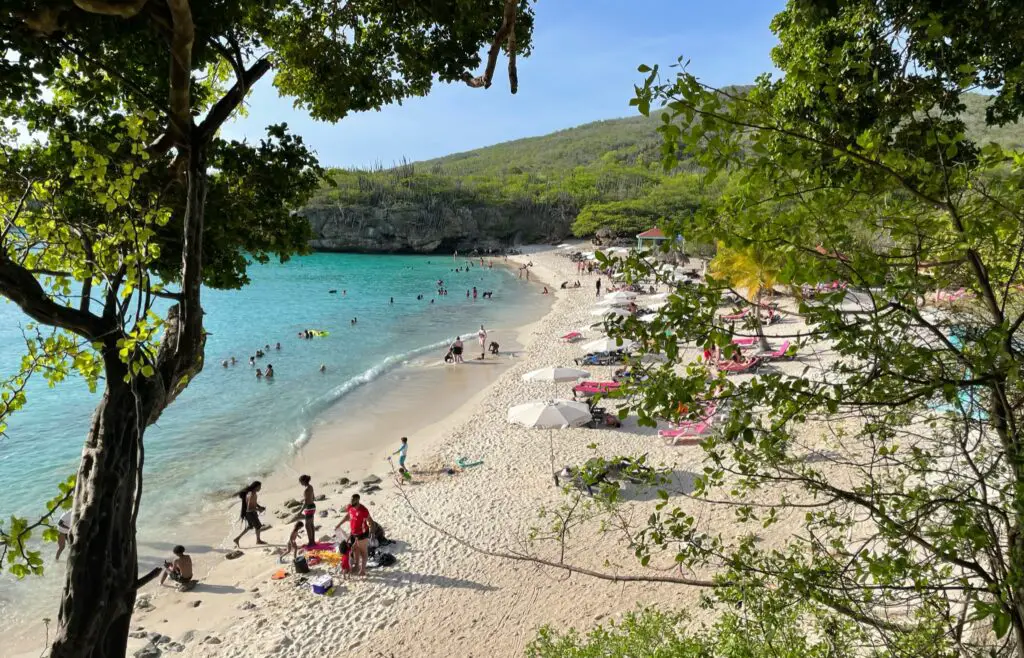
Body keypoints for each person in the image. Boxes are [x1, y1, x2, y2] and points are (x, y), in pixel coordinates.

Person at [336, 494, 373, 576]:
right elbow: (347, 516)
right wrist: (339, 524)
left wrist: (371, 533)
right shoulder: (350, 507)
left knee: (363, 552)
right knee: (355, 549)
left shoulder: (363, 510)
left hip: (362, 534)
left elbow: (371, 522)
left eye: (353, 501)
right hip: (353, 533)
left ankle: (363, 570)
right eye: (351, 500)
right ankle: (356, 565)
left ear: (358, 500)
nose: (351, 502)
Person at [233, 481, 266, 547]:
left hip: (249, 513)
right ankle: (258, 540)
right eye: (259, 487)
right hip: (250, 513)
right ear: (256, 487)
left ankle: (237, 539)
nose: (260, 488)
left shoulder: (251, 493)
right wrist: (258, 509)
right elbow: (249, 508)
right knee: (258, 526)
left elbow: (252, 503)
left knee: (250, 526)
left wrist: (259, 507)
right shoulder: (252, 494)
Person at [299, 474, 316, 546]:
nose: (300, 483)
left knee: (307, 525)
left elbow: (306, 502)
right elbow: (313, 497)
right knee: (311, 524)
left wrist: (300, 511)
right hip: (313, 506)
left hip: (309, 508)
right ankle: (313, 541)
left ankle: (310, 542)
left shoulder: (306, 490)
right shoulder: (311, 487)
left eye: (300, 482)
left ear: (303, 481)